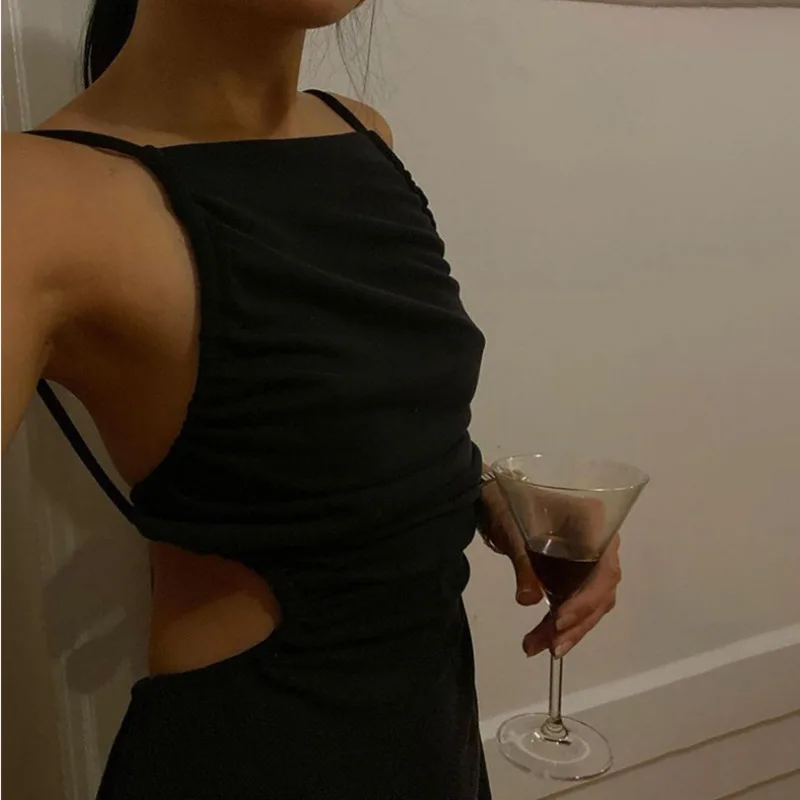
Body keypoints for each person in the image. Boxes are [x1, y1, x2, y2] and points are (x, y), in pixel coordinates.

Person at [1, 1, 623, 796]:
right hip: (259, 762)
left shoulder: (362, 134)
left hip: (434, 743)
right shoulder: (30, 197)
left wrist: (489, 492)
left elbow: (319, 424)